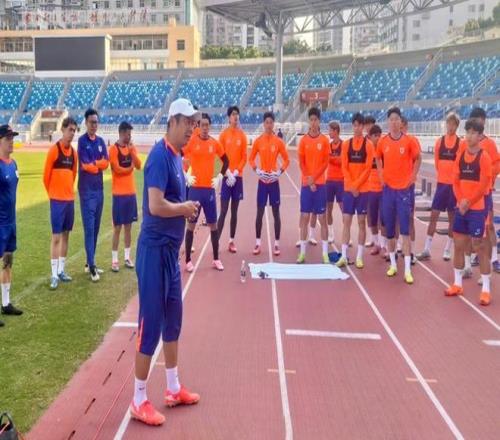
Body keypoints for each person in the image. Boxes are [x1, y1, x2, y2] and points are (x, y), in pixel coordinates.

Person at [130, 98, 201, 426]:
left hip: (170, 253)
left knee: (173, 319)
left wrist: (186, 212)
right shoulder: (159, 156)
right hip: (154, 252)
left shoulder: (176, 156)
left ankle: (173, 388)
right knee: (151, 322)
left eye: (194, 124)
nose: (191, 129)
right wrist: (183, 209)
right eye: (187, 122)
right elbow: (155, 206)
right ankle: (138, 398)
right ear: (172, 121)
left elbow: (173, 202)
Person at [445, 118, 492, 306]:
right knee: (459, 244)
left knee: (479, 246)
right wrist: (460, 201)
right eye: (468, 132)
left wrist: (469, 202)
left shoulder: (484, 157)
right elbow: (455, 181)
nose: (469, 136)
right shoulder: (461, 155)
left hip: (477, 209)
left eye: (473, 133)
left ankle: (486, 289)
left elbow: (483, 186)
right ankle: (457, 284)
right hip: (461, 207)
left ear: (480, 136)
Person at [376, 107, 421, 284]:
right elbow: (378, 158)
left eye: (397, 119)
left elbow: (418, 158)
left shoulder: (409, 141)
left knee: (405, 230)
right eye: (391, 119)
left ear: (400, 122)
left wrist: (413, 176)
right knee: (389, 230)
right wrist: (381, 175)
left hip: (403, 191)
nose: (394, 122)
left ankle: (408, 270)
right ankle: (393, 265)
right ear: (388, 121)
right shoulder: (383, 141)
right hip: (388, 190)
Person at [183, 113, 229, 272]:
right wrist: (186, 175)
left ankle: (216, 259)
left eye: (207, 125)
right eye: (202, 125)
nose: (204, 128)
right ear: (198, 126)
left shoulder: (214, 143)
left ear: (209, 126)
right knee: (191, 225)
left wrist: (220, 177)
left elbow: (226, 160)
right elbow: (178, 156)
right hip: (195, 190)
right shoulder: (191, 141)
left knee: (213, 225)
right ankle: (188, 261)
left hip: (209, 191)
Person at [417, 113, 463, 262]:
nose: (450, 127)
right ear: (446, 124)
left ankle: (447, 249)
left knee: (452, 219)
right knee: (433, 216)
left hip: (453, 187)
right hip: (442, 185)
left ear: (457, 126)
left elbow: (460, 164)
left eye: (453, 124)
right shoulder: (439, 142)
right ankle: (426, 249)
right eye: (449, 123)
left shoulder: (460, 144)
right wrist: (444, 176)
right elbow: (437, 163)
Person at [43, 117, 78, 290]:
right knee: (56, 237)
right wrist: (53, 195)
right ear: (63, 129)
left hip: (69, 200)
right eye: (70, 129)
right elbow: (46, 177)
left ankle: (61, 270)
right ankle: (54, 274)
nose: (72, 133)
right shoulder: (54, 151)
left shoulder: (74, 153)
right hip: (57, 201)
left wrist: (67, 192)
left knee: (66, 235)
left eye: (74, 131)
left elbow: (73, 174)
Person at [249, 111, 290, 256]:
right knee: (259, 213)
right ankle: (258, 243)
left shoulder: (278, 142)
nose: (268, 125)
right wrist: (257, 170)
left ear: (274, 124)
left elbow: (287, 159)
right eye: (266, 122)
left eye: (271, 122)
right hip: (262, 181)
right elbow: (251, 159)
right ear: (263, 124)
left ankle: (277, 244)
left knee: (276, 213)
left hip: (273, 181)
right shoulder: (258, 141)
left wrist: (279, 172)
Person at [337, 113, 374, 269]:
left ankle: (359, 257)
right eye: (355, 125)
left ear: (363, 127)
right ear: (352, 126)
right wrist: (352, 186)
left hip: (363, 190)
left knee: (361, 223)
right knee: (346, 221)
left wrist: (357, 185)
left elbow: (367, 169)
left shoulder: (369, 145)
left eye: (360, 125)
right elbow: (344, 166)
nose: (357, 128)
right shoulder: (346, 144)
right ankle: (343, 256)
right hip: (349, 190)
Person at [78, 108, 109, 282]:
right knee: (89, 229)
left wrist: (95, 164)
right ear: (86, 123)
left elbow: (106, 163)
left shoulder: (101, 141)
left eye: (96, 122)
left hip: (99, 191)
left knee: (96, 228)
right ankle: (92, 266)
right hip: (86, 191)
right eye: (91, 122)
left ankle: (90, 261)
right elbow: (85, 166)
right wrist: (97, 164)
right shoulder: (82, 142)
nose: (94, 125)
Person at [297, 107, 330, 264]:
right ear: (308, 121)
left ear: (319, 121)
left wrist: (314, 179)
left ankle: (325, 253)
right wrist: (309, 179)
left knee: (322, 218)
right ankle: (302, 253)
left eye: (316, 119)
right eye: (311, 120)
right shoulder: (303, 140)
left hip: (320, 185)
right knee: (305, 217)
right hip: (306, 184)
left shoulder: (324, 140)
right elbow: (301, 163)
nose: (313, 122)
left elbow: (325, 163)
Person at [468, 107, 500, 273]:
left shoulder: (489, 144)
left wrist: (487, 175)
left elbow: (497, 164)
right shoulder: (467, 144)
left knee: (489, 227)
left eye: (481, 120)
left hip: (485, 192)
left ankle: (494, 258)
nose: (479, 123)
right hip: (470, 194)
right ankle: (474, 257)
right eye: (475, 120)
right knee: (472, 229)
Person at [109, 121, 142, 272]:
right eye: (128, 134)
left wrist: (132, 152)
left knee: (128, 227)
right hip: (119, 195)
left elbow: (139, 165)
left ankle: (127, 257)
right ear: (121, 133)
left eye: (130, 134)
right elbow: (117, 169)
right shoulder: (113, 149)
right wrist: (130, 168)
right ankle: (114, 260)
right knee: (117, 228)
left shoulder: (131, 147)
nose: (130, 136)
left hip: (130, 194)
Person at [0, 125, 23, 327]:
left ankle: (6, 303)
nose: (11, 141)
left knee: (8, 261)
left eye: (12, 137)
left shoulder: (13, 164)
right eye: (8, 138)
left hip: (11, 222)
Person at [217, 105, 247, 253]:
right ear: (229, 117)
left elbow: (244, 157)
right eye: (233, 114)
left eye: (237, 114)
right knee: (223, 211)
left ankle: (231, 241)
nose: (236, 116)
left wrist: (235, 172)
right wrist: (227, 173)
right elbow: (219, 156)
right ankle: (216, 240)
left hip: (237, 178)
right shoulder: (223, 135)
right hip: (226, 177)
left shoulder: (242, 136)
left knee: (234, 211)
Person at [401, 116, 421, 263]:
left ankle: (411, 250)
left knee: (409, 218)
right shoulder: (390, 141)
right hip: (395, 187)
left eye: (402, 127)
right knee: (396, 219)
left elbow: (417, 159)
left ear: (406, 126)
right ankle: (400, 246)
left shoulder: (412, 141)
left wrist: (412, 176)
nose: (400, 129)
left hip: (407, 187)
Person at [366, 124, 385, 256]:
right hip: (370, 190)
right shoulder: (367, 150)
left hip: (383, 190)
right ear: (370, 137)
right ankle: (376, 243)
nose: (377, 138)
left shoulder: (384, 150)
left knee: (383, 219)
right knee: (372, 218)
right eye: (375, 136)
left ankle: (383, 245)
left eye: (379, 135)